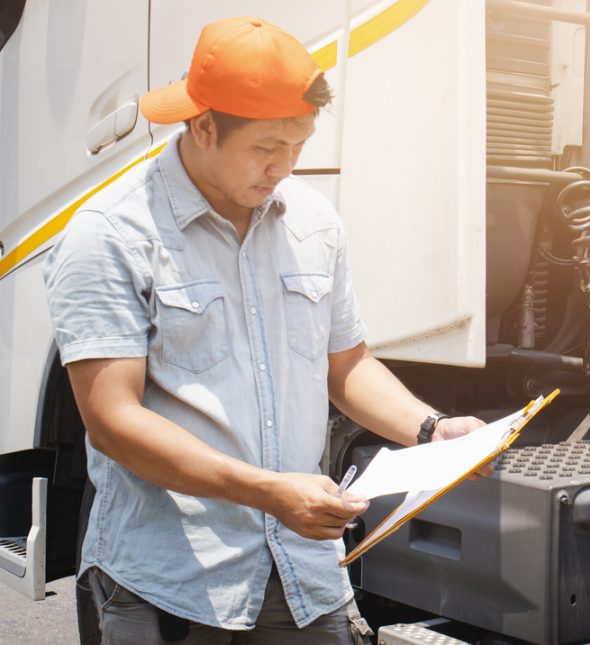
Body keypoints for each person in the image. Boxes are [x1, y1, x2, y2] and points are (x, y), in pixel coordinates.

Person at [43, 16, 486, 645]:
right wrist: (269, 493)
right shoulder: (111, 234)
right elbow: (113, 420)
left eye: (299, 144)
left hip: (302, 573)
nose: (284, 166)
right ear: (202, 126)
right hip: (172, 579)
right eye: (265, 148)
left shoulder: (314, 223)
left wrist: (431, 431)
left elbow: (347, 365)